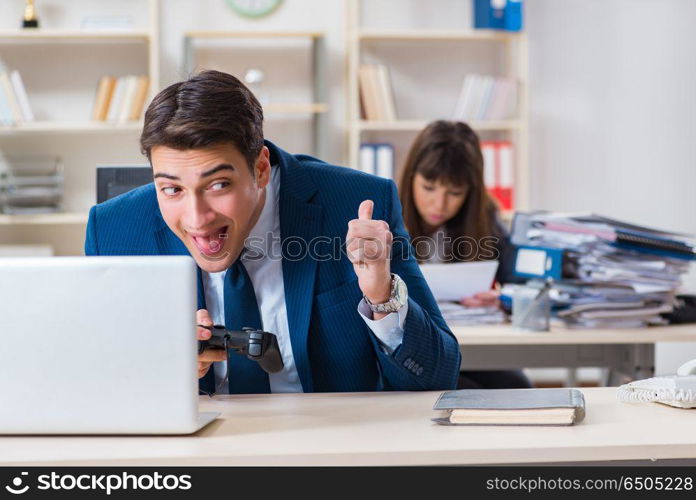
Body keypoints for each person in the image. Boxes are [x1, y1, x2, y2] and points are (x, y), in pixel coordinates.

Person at [84, 70, 460, 395]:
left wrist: (381, 298)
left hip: (330, 449)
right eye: (172, 189)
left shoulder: (356, 206)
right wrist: (157, 369)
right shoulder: (114, 230)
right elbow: (91, 383)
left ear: (261, 168)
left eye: (218, 185)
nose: (196, 218)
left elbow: (437, 379)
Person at [398, 120, 532, 390]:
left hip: (468, 345)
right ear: (412, 176)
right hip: (409, 349)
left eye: (455, 193)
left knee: (517, 387)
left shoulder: (486, 219)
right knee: (467, 391)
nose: (440, 204)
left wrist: (501, 297)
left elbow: (520, 283)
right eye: (428, 187)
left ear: (470, 191)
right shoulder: (386, 217)